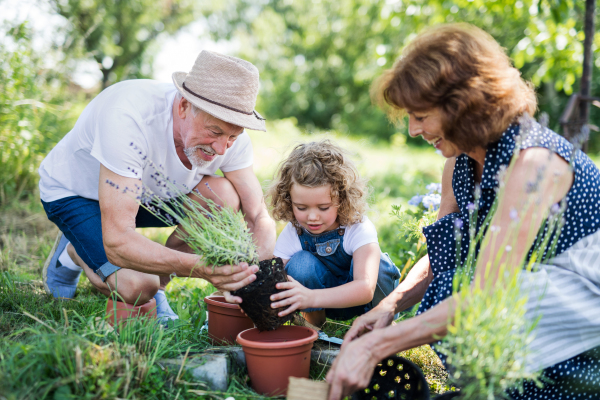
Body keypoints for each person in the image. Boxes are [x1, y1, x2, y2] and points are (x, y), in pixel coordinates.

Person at [326, 23, 600, 399]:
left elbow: (488, 295)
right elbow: (444, 253)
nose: (412, 130)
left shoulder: (535, 165)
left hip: (569, 357)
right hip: (510, 347)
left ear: (465, 105)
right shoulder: (461, 162)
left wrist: (376, 346)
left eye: (421, 115)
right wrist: (389, 306)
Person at [40, 50, 276, 322]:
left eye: (233, 137)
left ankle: (160, 289)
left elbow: (258, 214)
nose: (222, 148)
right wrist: (203, 268)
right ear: (184, 106)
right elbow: (118, 242)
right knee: (138, 286)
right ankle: (73, 251)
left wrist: (258, 271)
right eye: (214, 133)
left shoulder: (228, 133)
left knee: (223, 196)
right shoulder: (129, 116)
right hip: (77, 193)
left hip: (146, 196)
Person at [267, 140, 400, 327]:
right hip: (322, 303)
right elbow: (274, 278)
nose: (312, 217)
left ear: (342, 199)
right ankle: (312, 325)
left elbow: (365, 288)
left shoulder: (357, 226)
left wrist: (311, 297)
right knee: (300, 264)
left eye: (323, 207)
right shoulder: (294, 231)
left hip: (365, 301)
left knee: (377, 263)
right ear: (289, 200)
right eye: (301, 207)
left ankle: (379, 321)